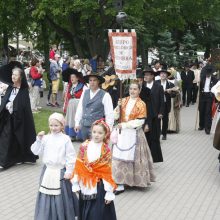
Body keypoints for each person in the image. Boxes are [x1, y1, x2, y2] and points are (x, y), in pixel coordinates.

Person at [31, 112, 79, 220]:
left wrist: (69, 171)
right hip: (47, 171)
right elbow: (35, 151)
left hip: (61, 173)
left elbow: (71, 156)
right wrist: (38, 139)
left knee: (62, 196)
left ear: (62, 125)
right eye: (51, 125)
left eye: (56, 125)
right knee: (45, 194)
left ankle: (62, 216)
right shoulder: (45, 138)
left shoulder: (65, 139)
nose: (53, 128)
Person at [112, 80, 155, 194]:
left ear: (139, 90)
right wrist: (117, 108)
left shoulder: (141, 104)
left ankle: (132, 181)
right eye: (131, 88)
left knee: (133, 158)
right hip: (122, 134)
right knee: (119, 156)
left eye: (135, 89)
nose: (132, 91)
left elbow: (140, 121)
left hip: (134, 134)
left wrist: (125, 125)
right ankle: (119, 182)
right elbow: (115, 116)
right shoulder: (124, 100)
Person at [71, 119, 117, 220]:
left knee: (97, 214)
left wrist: (109, 192)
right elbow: (79, 165)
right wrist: (75, 183)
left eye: (100, 133)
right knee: (85, 212)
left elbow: (106, 172)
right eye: (94, 132)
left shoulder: (105, 150)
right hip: (85, 184)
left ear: (105, 134)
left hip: (99, 186)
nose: (96, 135)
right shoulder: (84, 146)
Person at [0, 62, 38, 169]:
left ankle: (13, 159)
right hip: (8, 118)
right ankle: (4, 161)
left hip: (18, 118)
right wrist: (6, 106)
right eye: (12, 75)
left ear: (20, 77)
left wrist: (13, 107)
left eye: (15, 75)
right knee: (6, 138)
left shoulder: (23, 90)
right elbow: (5, 101)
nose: (13, 77)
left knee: (16, 138)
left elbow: (23, 106)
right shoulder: (10, 88)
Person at [75, 73, 114, 141]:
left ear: (98, 82)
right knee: (85, 148)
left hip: (97, 128)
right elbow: (80, 108)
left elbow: (109, 113)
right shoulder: (85, 92)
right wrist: (77, 122)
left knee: (96, 149)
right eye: (90, 80)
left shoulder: (105, 95)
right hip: (84, 125)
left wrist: (108, 129)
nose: (92, 82)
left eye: (94, 80)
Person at [143, 68, 164, 163]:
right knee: (145, 137)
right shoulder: (142, 86)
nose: (146, 76)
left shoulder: (158, 86)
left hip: (155, 115)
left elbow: (161, 101)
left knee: (154, 137)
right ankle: (145, 157)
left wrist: (160, 112)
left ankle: (154, 158)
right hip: (145, 115)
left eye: (148, 75)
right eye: (145, 75)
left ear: (152, 76)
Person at [63, 68, 85, 141]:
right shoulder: (69, 87)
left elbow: (83, 95)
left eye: (73, 77)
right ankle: (72, 135)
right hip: (71, 107)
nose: (71, 79)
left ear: (77, 78)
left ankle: (80, 136)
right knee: (71, 120)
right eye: (71, 77)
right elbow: (67, 97)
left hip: (79, 106)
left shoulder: (83, 86)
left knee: (78, 119)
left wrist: (74, 96)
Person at [156, 69, 176, 140]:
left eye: (164, 74)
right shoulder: (156, 83)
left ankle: (164, 134)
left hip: (165, 104)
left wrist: (170, 92)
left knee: (165, 120)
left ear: (167, 75)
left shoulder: (170, 84)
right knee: (157, 120)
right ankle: (157, 133)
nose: (163, 75)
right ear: (160, 75)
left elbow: (174, 95)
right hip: (157, 104)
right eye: (161, 73)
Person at [198, 67, 218, 134]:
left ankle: (207, 128)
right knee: (201, 110)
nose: (207, 75)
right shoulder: (202, 78)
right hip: (203, 96)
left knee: (208, 112)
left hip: (209, 96)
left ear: (211, 73)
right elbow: (199, 88)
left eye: (209, 73)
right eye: (206, 73)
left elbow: (216, 88)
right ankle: (201, 125)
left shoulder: (214, 79)